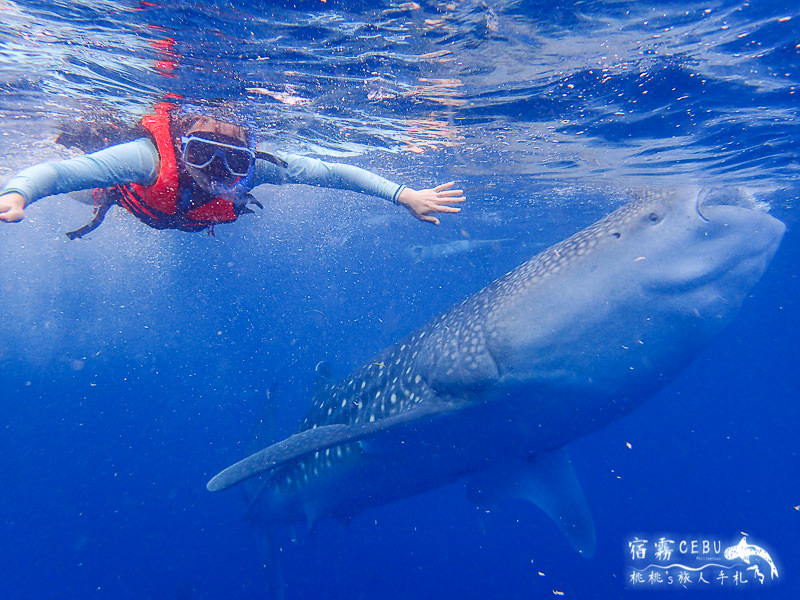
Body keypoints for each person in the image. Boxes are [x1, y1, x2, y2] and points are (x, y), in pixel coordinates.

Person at [0, 102, 465, 238]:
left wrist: (404, 194)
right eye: (204, 156)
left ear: (250, 157)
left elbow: (333, 173)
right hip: (125, 195)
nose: (219, 171)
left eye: (235, 161)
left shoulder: (256, 171)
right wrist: (19, 192)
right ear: (184, 149)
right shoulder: (147, 160)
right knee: (85, 186)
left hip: (170, 214)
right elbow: (61, 175)